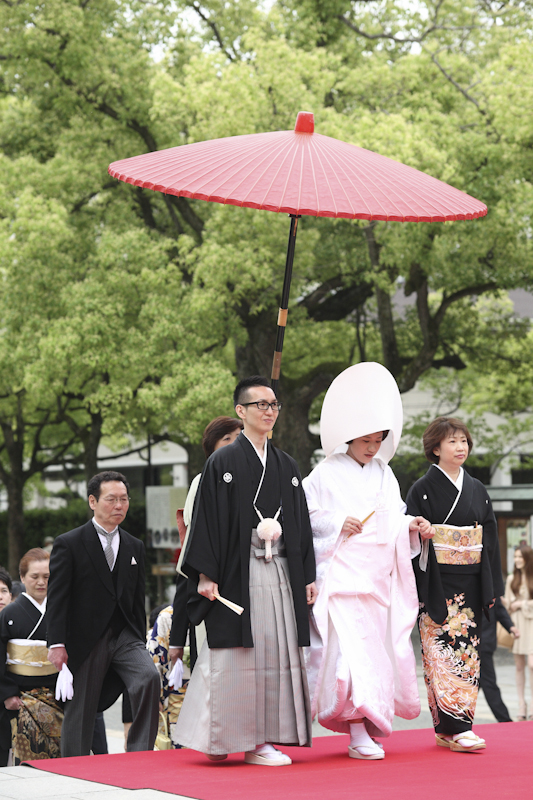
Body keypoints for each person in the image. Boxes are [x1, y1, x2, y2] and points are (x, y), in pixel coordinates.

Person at [173, 376, 317, 766]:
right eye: (260, 405)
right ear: (241, 411)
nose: (269, 411)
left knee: (274, 653)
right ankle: (221, 737)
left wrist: (307, 575)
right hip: (238, 572)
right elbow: (206, 522)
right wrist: (205, 574)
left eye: (274, 405)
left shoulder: (287, 464)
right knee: (233, 658)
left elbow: (300, 524)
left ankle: (261, 740)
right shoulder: (221, 462)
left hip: (280, 569)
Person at [303, 362, 433, 760]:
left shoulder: (384, 474)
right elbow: (305, 516)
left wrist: (411, 525)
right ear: (349, 437)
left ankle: (366, 724)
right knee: (348, 656)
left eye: (378, 440)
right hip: (341, 576)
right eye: (366, 440)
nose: (373, 447)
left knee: (373, 655)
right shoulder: (323, 474)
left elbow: (393, 516)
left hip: (375, 579)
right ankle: (358, 729)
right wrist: (337, 522)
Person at [406, 417, 504, 752]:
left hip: (471, 584)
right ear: (435, 448)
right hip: (435, 582)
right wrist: (418, 528)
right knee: (438, 655)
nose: (460, 447)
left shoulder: (477, 488)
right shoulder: (421, 489)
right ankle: (449, 728)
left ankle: (461, 727)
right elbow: (408, 535)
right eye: (452, 441)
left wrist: (492, 587)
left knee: (467, 654)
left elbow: (489, 540)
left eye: (463, 441)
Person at [46, 470, 160, 757]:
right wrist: (56, 643)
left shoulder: (135, 545)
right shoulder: (69, 543)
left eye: (124, 499)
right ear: (92, 502)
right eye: (111, 499)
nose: (119, 505)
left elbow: (137, 599)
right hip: (85, 638)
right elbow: (57, 598)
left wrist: (140, 637)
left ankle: (140, 754)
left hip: (125, 636)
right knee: (81, 708)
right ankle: (72, 767)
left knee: (148, 677)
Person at [169, 417, 243, 672]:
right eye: (227, 439)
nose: (235, 444)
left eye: (239, 438)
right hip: (214, 587)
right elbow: (195, 547)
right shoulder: (203, 481)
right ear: (212, 449)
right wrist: (177, 638)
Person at [0, 549, 62, 764]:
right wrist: (7, 693)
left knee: (61, 756)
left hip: (57, 694)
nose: (41, 582)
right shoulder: (8, 614)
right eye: (35, 576)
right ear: (23, 577)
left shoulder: (61, 611)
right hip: (20, 696)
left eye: (46, 576)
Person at [503, 546, 533, 721]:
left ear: (528, 558)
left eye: (520, 557)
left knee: (531, 664)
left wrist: (521, 604)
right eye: (515, 557)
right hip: (518, 624)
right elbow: (508, 604)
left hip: (531, 623)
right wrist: (506, 603)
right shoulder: (511, 579)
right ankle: (522, 704)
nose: (517, 560)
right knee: (519, 666)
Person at [479, 596, 518, 722]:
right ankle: (505, 720)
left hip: (484, 642)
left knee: (479, 683)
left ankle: (457, 719)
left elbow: (499, 610)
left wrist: (510, 627)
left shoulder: (491, 589)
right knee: (485, 683)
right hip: (470, 643)